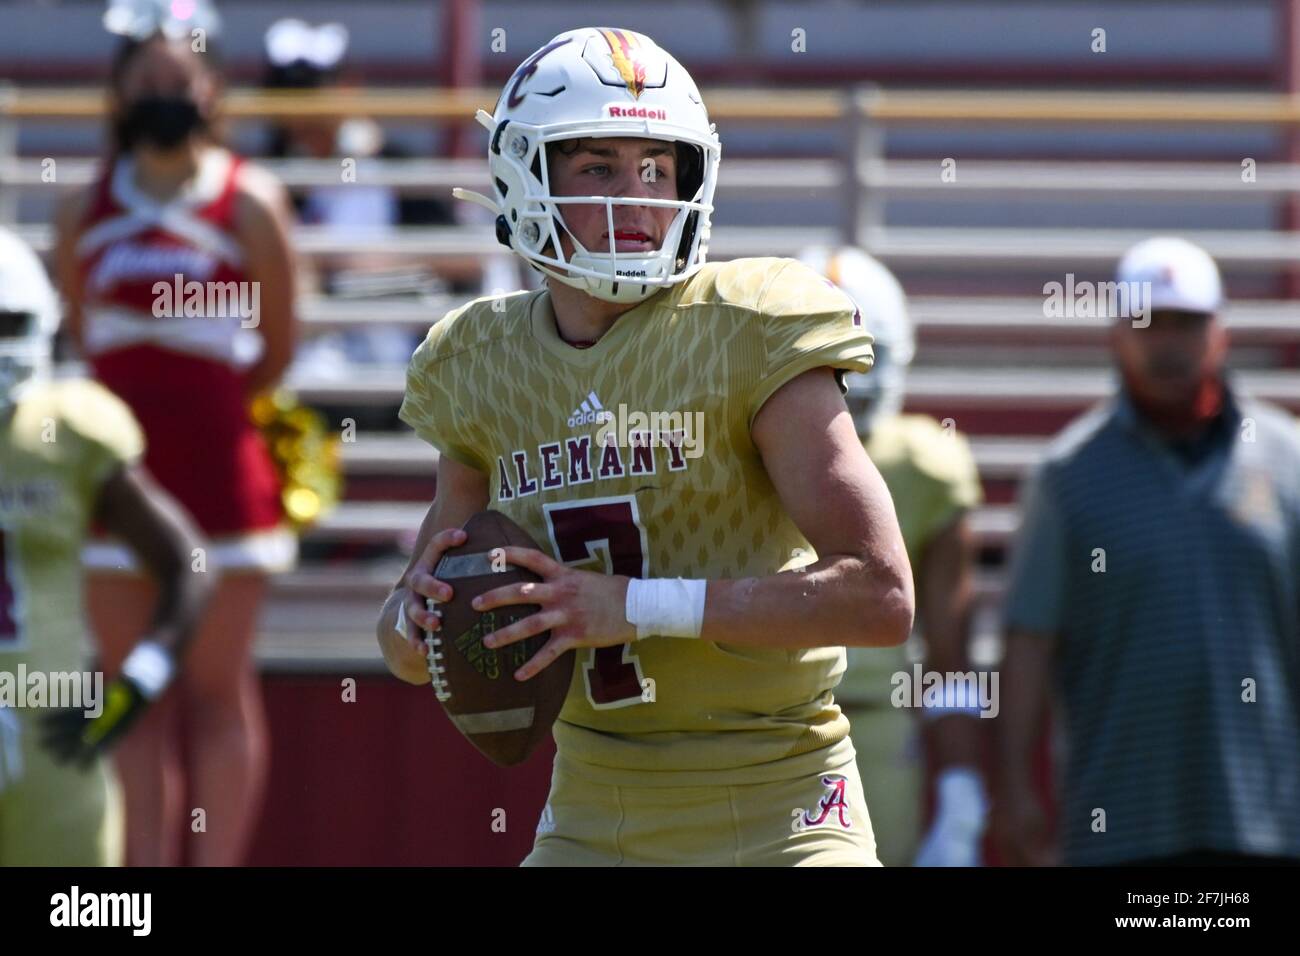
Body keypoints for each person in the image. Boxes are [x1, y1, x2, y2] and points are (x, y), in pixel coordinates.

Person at [377, 27, 914, 866]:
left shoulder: (751, 324)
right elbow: (410, 648)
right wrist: (412, 623)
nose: (640, 199)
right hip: (596, 815)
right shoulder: (476, 363)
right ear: (525, 177)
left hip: (784, 805)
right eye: (599, 168)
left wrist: (634, 606)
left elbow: (882, 596)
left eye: (657, 168)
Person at [52, 17, 299, 865]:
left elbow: (277, 349)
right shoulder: (82, 207)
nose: (164, 97)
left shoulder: (252, 201)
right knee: (133, 697)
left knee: (217, 692)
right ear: (119, 93)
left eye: (180, 79)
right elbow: (79, 339)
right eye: (146, 80)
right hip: (118, 491)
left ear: (213, 91)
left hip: (222, 485)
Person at [995, 237, 1300, 866]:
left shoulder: (1288, 458)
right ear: (1117, 335)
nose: (1167, 343)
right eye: (1147, 323)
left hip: (1270, 821)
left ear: (1219, 333)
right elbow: (1029, 639)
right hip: (1121, 824)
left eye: (1185, 323)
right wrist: (1016, 789)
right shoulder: (1068, 475)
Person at [0, 226, 212, 865]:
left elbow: (186, 564)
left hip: (52, 733)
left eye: (7, 323)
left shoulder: (65, 429)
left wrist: (139, 681)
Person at [801, 246, 988, 867]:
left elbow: (949, 654)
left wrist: (962, 797)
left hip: (879, 730)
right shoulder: (733, 454)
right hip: (760, 724)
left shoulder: (924, 465)